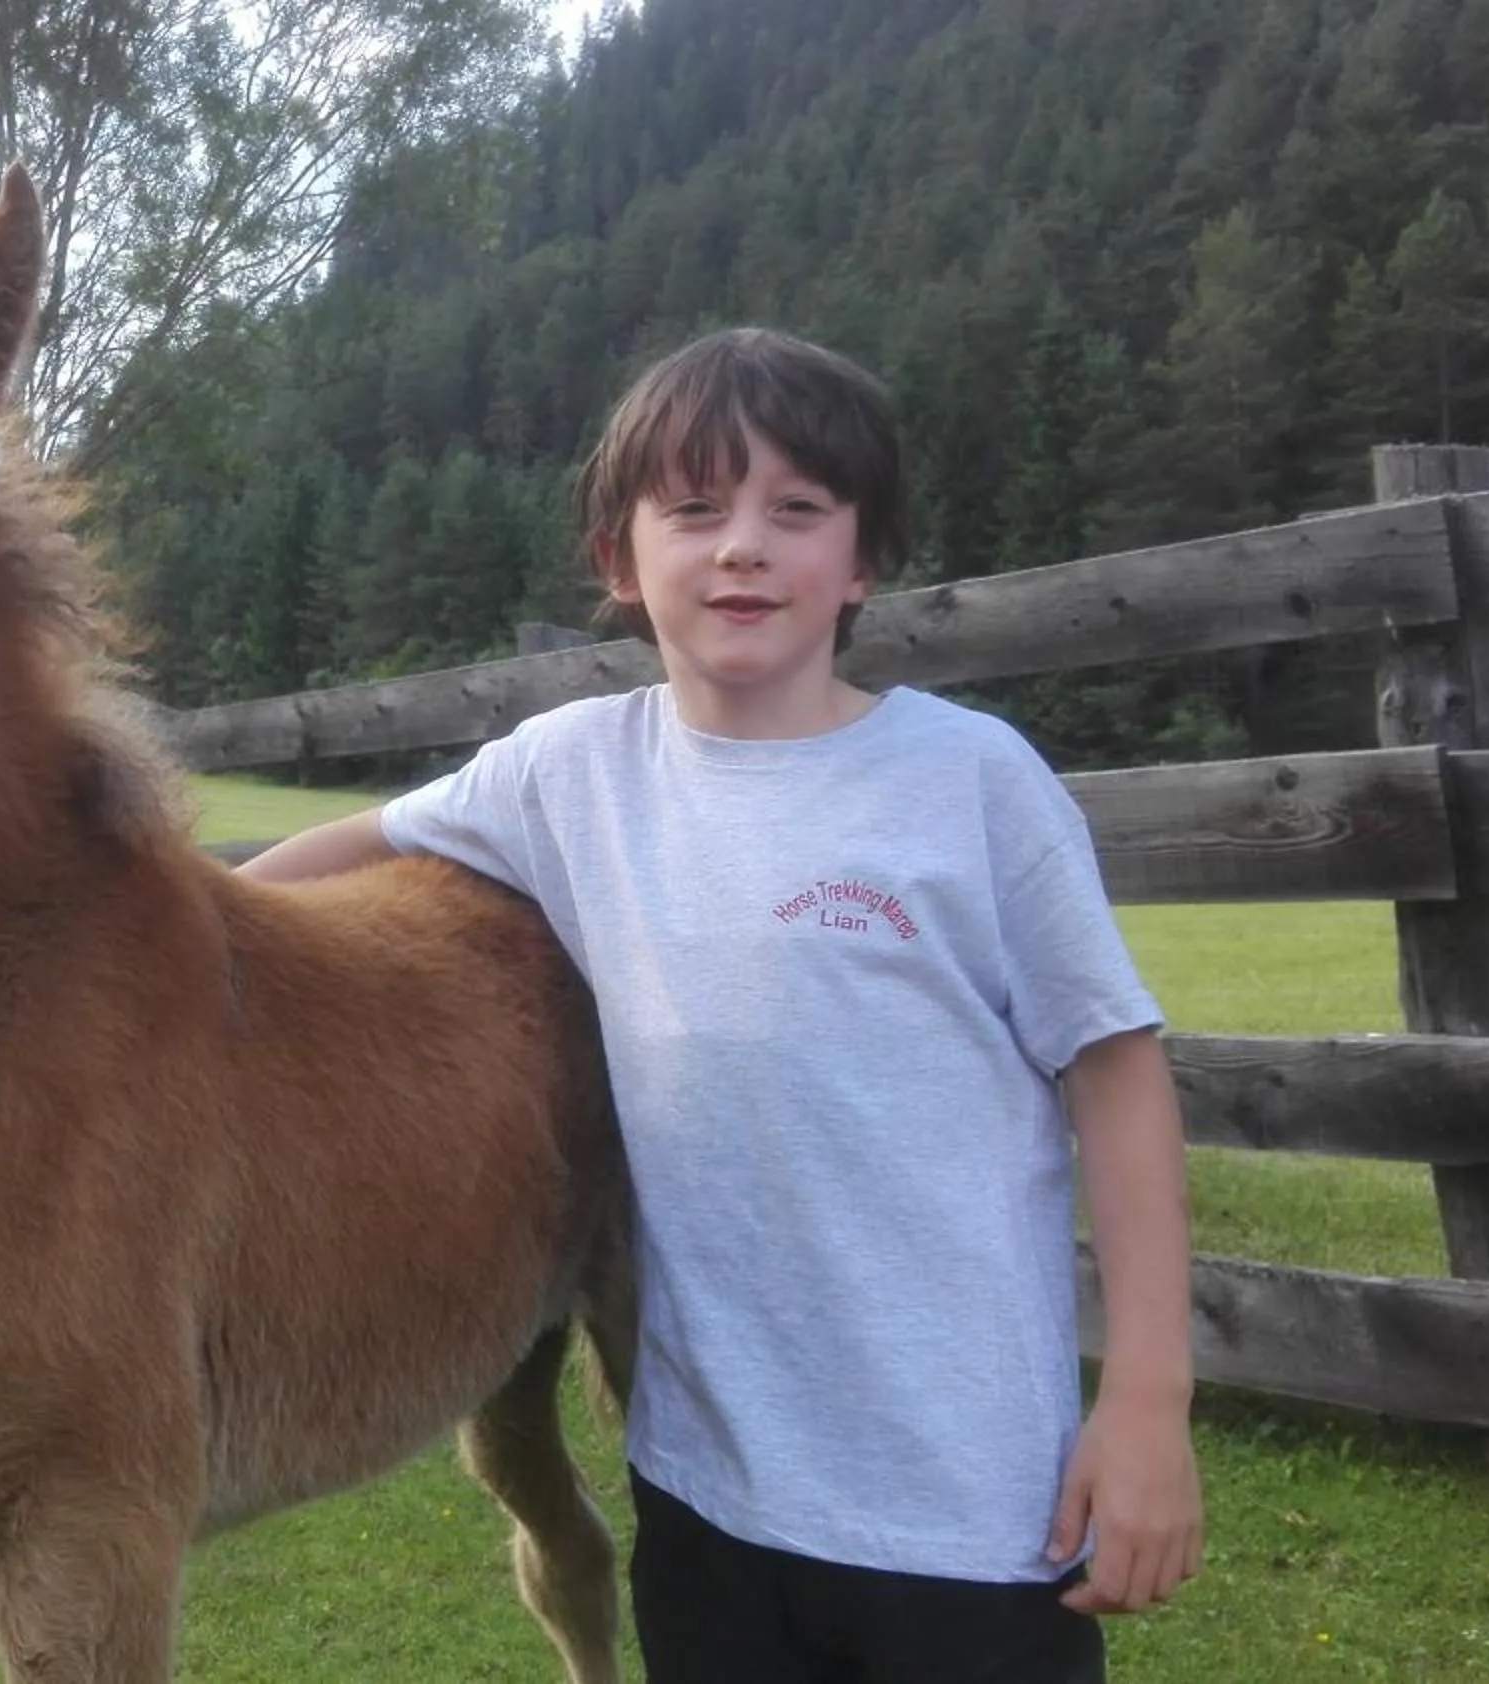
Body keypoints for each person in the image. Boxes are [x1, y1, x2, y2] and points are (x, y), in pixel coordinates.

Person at [238, 327, 1203, 1680]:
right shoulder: (571, 774)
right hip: (711, 1512)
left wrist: (1150, 1405)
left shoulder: (973, 782)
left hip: (974, 1521)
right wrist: (156, 933)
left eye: (795, 511)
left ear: (861, 560)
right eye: (695, 509)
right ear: (619, 561)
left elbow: (1116, 1076)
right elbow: (351, 851)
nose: (742, 545)